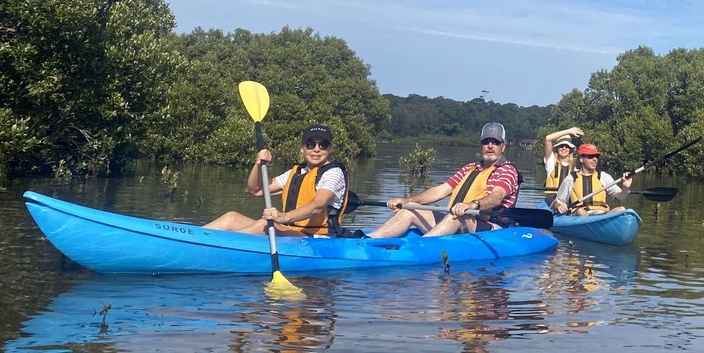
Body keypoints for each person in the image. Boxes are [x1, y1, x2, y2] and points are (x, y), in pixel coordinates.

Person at [367, 122, 520, 238]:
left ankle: (423, 247)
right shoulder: (470, 168)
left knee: (457, 216)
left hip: (490, 227)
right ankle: (368, 240)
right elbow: (441, 190)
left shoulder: (507, 170)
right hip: (459, 218)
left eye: (496, 142)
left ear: (503, 147)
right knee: (411, 208)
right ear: (481, 145)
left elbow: (496, 197)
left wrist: (471, 205)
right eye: (486, 141)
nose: (490, 146)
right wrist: (406, 200)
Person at [204, 124, 349, 237]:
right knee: (231, 217)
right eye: (310, 144)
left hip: (316, 238)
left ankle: (213, 248)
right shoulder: (298, 172)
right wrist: (259, 163)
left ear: (330, 149)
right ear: (302, 148)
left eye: (323, 145)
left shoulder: (334, 173)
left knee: (263, 224)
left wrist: (282, 216)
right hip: (290, 231)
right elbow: (255, 190)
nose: (316, 149)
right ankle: (193, 239)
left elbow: (316, 206)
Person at [552, 143, 632, 216]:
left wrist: (626, 188)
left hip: (601, 214)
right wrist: (560, 206)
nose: (595, 159)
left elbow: (621, 197)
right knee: (581, 212)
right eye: (590, 156)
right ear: (581, 159)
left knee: (621, 209)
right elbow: (557, 203)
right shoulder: (571, 179)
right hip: (580, 214)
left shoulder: (603, 176)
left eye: (596, 156)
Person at [543, 126, 583, 203]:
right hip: (552, 199)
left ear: (570, 149)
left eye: (567, 146)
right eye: (561, 146)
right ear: (557, 148)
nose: (564, 148)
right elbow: (548, 139)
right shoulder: (551, 162)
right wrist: (569, 131)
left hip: (569, 200)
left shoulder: (576, 165)